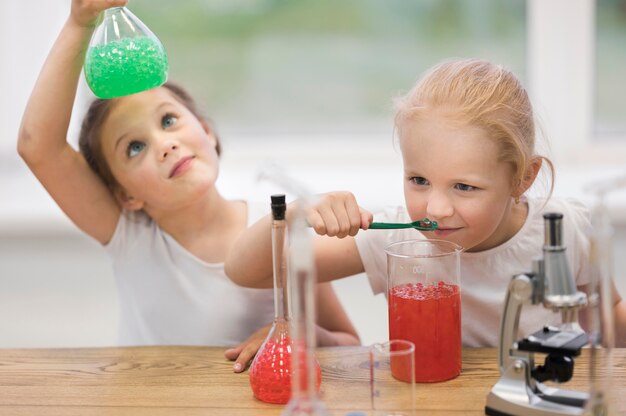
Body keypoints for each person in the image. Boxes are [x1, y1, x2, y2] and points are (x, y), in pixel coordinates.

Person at [17, 0, 359, 372]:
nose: (164, 145)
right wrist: (78, 23)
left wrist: (304, 334)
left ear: (207, 132)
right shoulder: (129, 236)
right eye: (135, 147)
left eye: (168, 121)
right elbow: (38, 146)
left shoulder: (278, 231)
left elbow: (348, 343)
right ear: (126, 195)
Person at [225, 58, 626, 347]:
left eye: (464, 187)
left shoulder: (566, 229)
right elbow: (245, 271)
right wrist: (294, 213)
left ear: (523, 177)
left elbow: (609, 325)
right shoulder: (400, 241)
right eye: (419, 180)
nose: (434, 209)